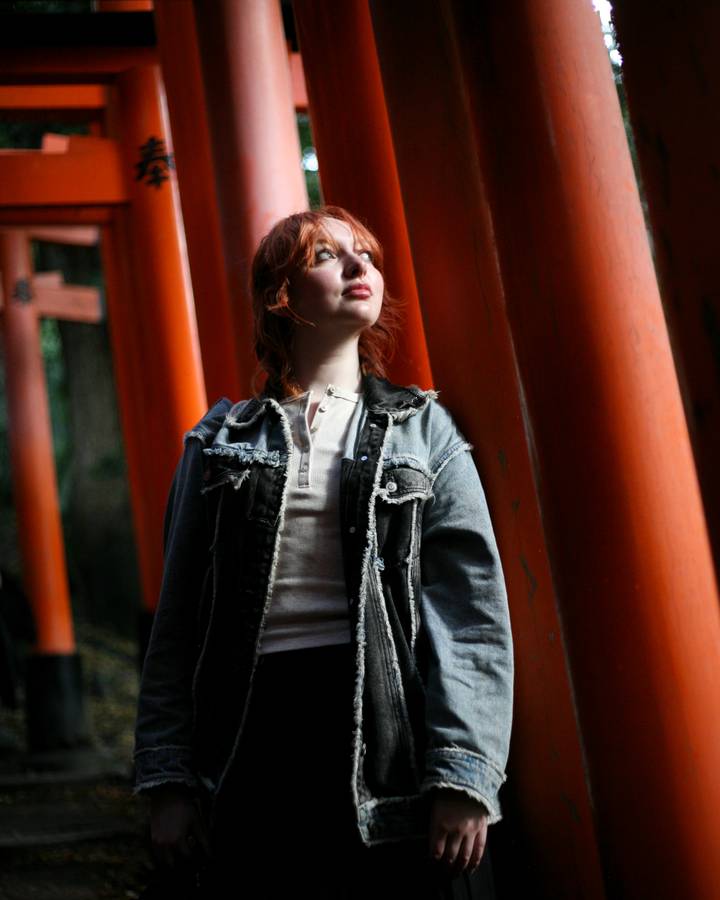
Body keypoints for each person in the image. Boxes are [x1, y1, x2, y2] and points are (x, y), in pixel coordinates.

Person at [132, 206, 514, 899]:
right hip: (251, 735)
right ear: (281, 293)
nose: (358, 266)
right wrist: (166, 779)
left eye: (364, 253)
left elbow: (471, 615)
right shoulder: (219, 444)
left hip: (387, 729)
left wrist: (465, 773)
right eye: (325, 255)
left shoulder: (423, 430)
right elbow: (179, 623)